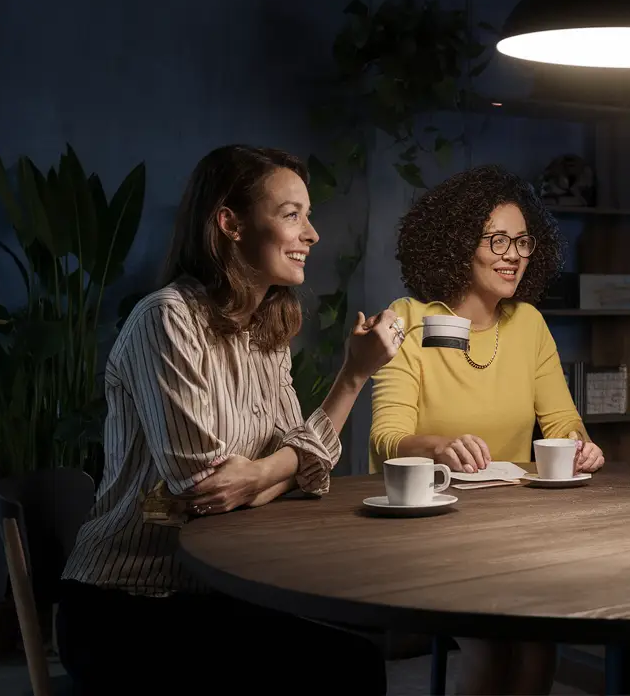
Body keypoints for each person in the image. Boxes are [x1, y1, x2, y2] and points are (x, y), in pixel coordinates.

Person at [56, 145, 400, 695]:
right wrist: (275, 473)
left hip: (219, 591)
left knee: (354, 660)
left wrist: (352, 379)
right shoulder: (167, 319)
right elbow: (201, 490)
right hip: (124, 603)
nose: (312, 234)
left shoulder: (266, 328)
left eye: (308, 217)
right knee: (339, 669)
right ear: (229, 224)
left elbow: (309, 476)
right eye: (292, 215)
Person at [369, 164, 604, 694]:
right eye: (497, 239)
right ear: (457, 243)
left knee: (540, 637)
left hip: (517, 529)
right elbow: (385, 439)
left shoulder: (528, 324)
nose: (514, 254)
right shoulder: (407, 319)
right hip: (433, 528)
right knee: (497, 642)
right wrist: (437, 447)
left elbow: (564, 421)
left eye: (523, 241)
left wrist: (581, 447)